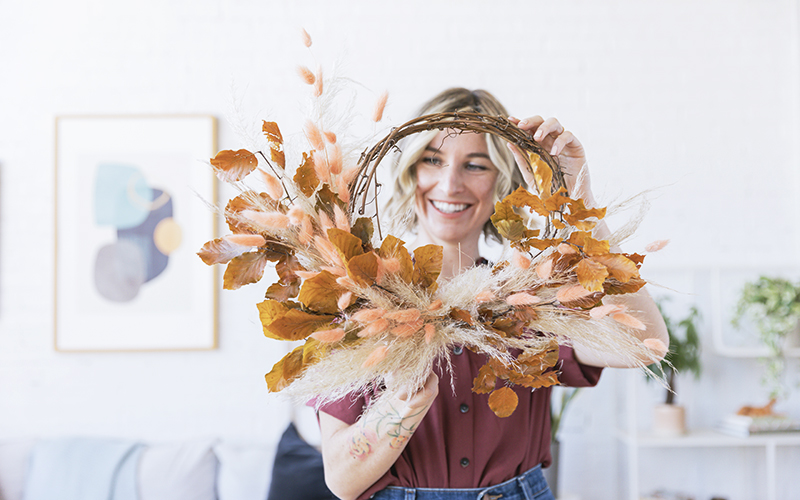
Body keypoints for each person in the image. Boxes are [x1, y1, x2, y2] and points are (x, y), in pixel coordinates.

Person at [315, 88, 669, 500]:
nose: (450, 183)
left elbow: (643, 344)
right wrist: (403, 402)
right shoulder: (360, 299)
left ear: (501, 179)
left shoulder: (533, 297)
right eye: (432, 159)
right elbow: (341, 481)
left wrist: (577, 198)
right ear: (411, 170)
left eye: (475, 165)